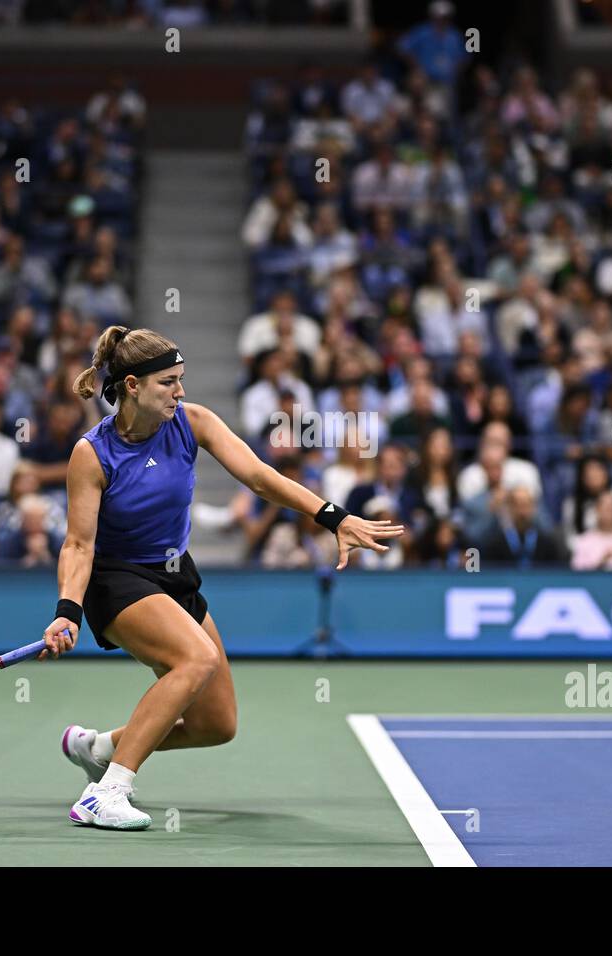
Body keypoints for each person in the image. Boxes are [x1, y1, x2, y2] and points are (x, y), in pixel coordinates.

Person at [40, 326, 402, 831]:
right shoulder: (92, 453)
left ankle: (98, 747)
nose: (180, 391)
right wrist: (67, 611)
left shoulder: (193, 423)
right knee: (195, 659)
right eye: (168, 382)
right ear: (131, 387)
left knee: (216, 724)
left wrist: (332, 516)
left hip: (175, 576)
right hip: (116, 579)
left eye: (182, 379)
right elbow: (79, 544)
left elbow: (259, 476)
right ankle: (109, 790)